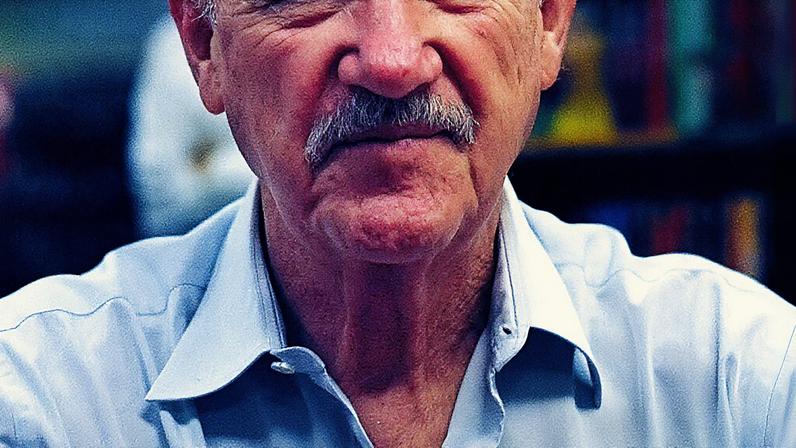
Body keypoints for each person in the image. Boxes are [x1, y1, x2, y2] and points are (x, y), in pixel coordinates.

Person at [0, 0, 794, 446]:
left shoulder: (737, 383)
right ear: (204, 45)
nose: (390, 59)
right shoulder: (43, 402)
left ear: (550, 22)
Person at [127, 15, 253, 237]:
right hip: (191, 244)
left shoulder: (297, 26)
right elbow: (160, 188)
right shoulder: (171, 43)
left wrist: (211, 164)